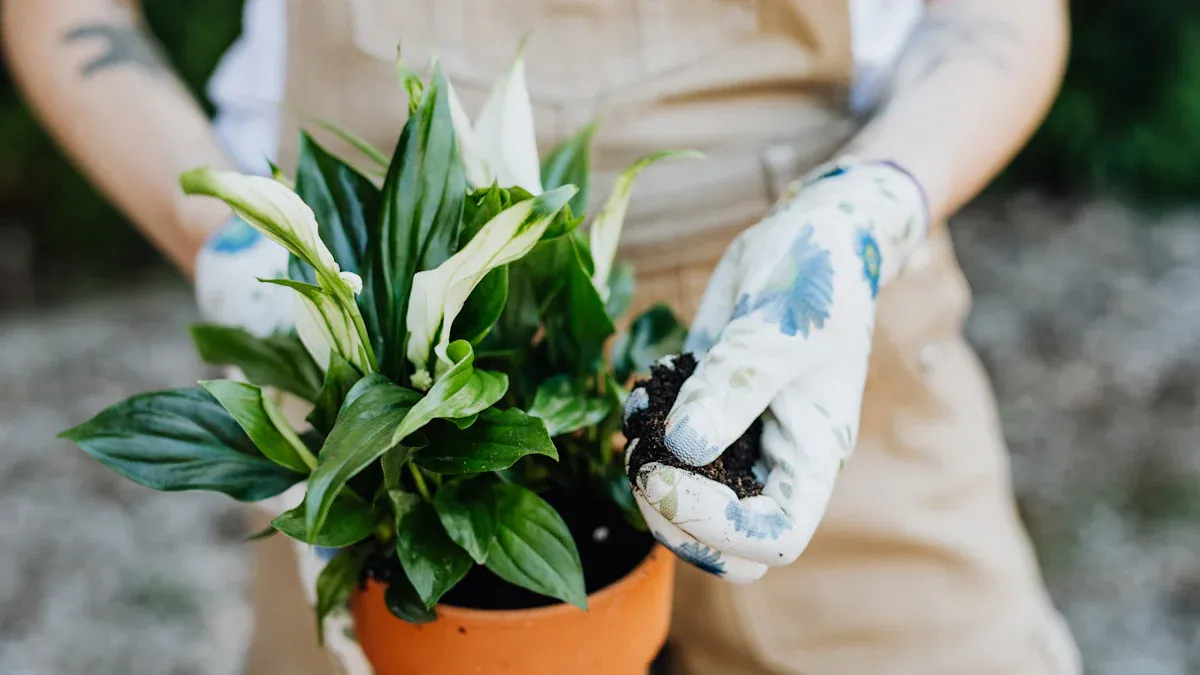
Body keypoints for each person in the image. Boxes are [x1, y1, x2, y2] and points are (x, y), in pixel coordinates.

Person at [3, 0, 1077, 672]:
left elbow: (1002, 16)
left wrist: (866, 212)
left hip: (799, 315)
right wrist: (234, 242)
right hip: (374, 328)